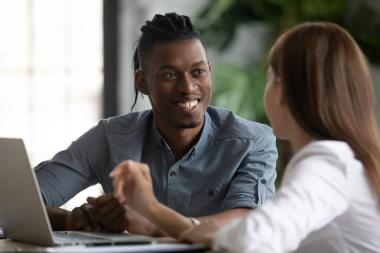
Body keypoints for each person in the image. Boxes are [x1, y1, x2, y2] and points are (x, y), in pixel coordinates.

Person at [111, 22, 380, 252]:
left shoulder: (326, 162)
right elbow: (234, 237)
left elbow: (253, 240)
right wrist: (152, 210)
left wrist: (151, 210)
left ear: (286, 90)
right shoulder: (345, 159)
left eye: (271, 78)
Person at [35, 12, 278, 235]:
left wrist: (144, 223)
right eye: (169, 75)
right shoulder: (111, 137)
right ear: (142, 82)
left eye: (198, 72)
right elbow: (15, 203)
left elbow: (246, 226)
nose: (187, 87)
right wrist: (73, 221)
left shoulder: (253, 142)